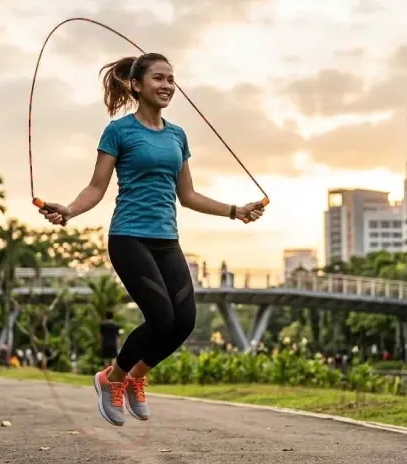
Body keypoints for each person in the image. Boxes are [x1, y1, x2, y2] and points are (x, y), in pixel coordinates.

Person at [38, 52, 264, 426]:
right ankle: (111, 379)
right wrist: (70, 210)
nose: (167, 86)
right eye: (159, 78)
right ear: (136, 84)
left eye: (171, 80)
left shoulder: (178, 135)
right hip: (129, 237)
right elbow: (97, 187)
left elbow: (188, 196)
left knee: (185, 321)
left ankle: (135, 377)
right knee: (161, 318)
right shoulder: (119, 131)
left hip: (166, 239)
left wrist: (235, 210)